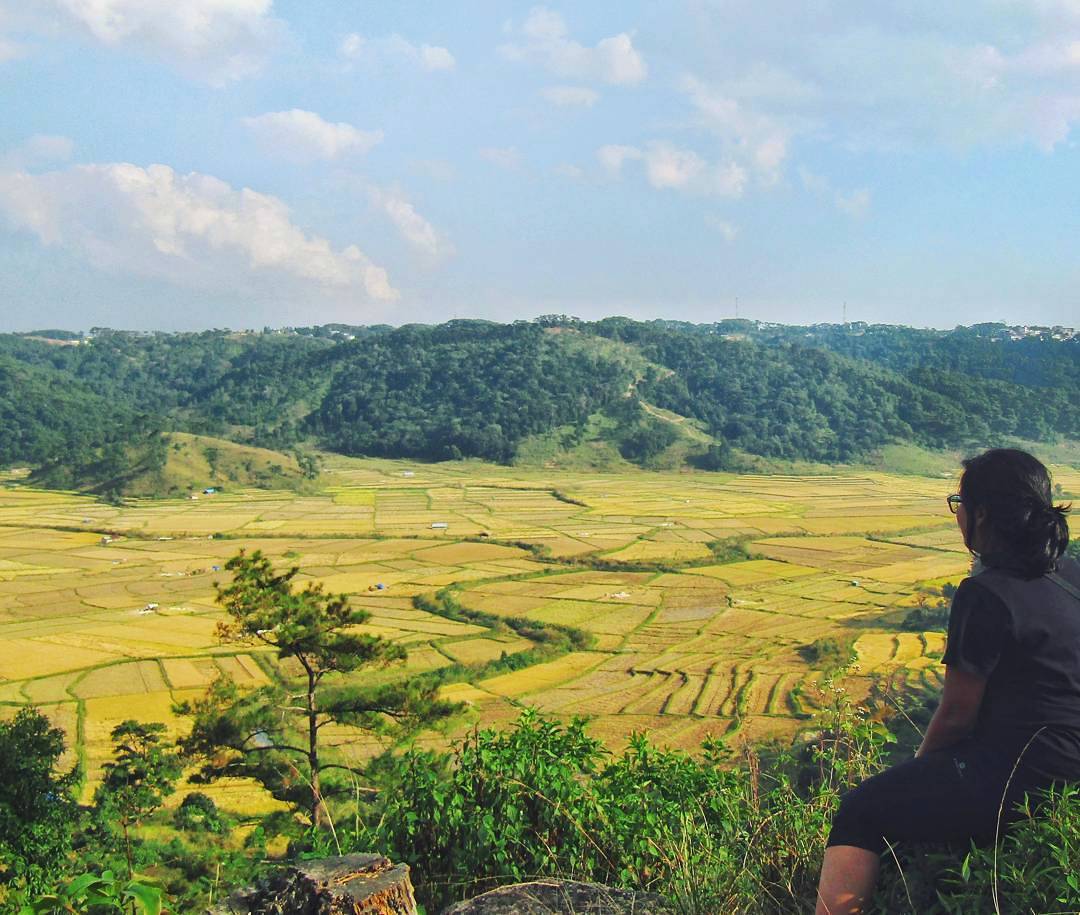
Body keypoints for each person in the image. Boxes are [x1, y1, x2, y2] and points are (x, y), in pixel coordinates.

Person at [815, 448, 1078, 915]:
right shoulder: (1072, 573)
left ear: (980, 514)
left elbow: (956, 715)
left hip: (1025, 771)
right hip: (1071, 764)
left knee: (861, 808)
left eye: (960, 504)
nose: (958, 517)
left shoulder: (984, 593)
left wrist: (920, 771)